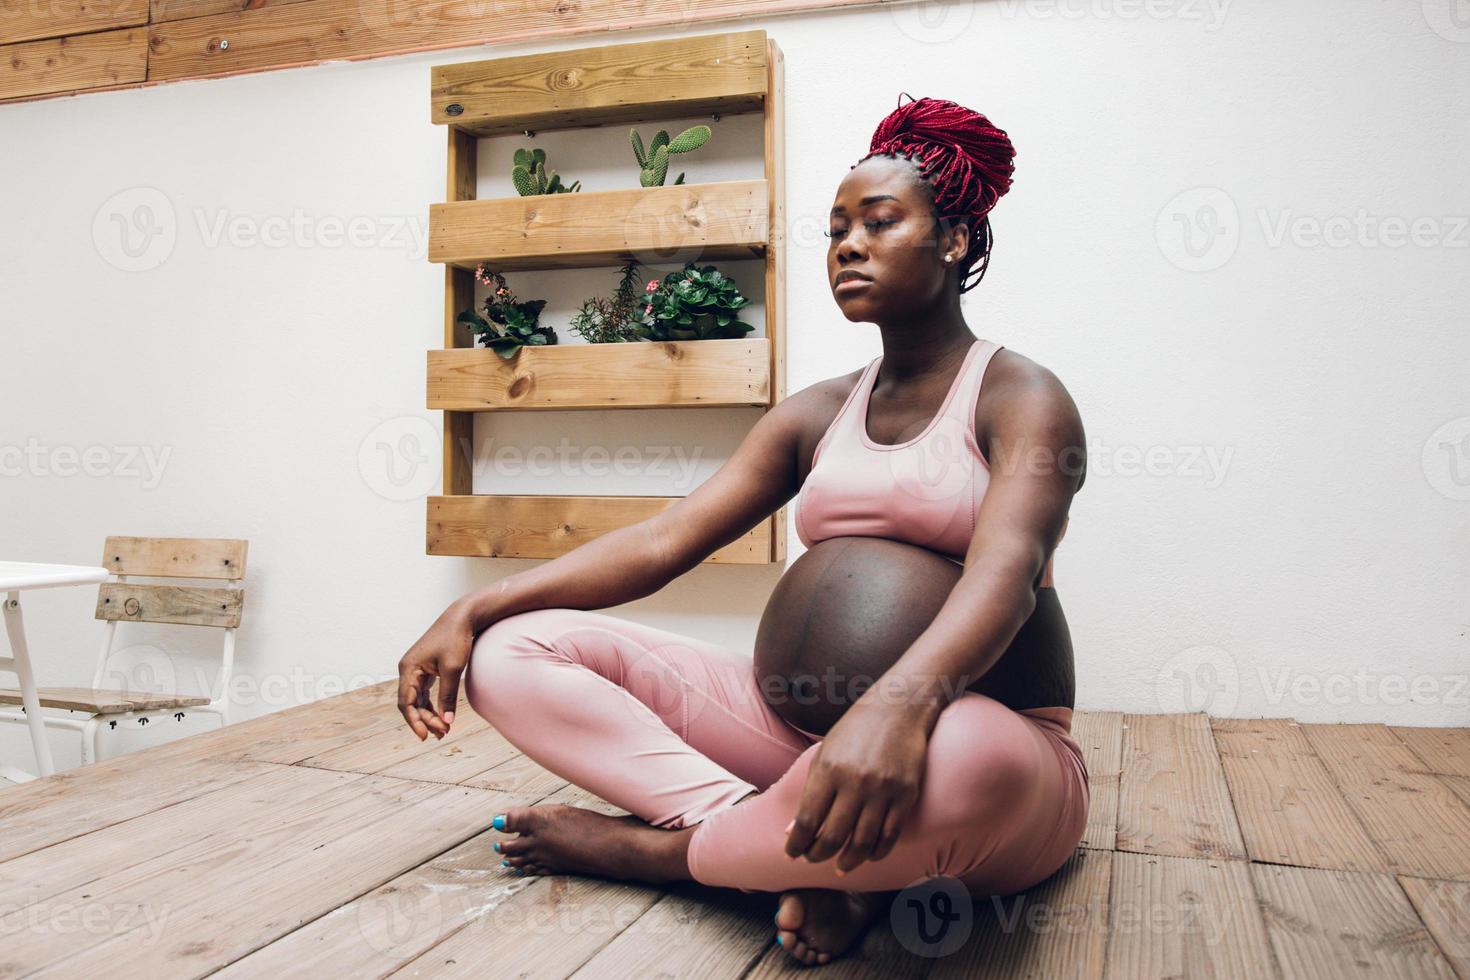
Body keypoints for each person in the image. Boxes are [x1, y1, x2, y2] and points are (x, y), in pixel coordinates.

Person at [397, 93, 1089, 966]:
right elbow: (664, 542)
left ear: (954, 240)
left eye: (879, 223)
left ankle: (662, 854)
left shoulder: (1022, 398)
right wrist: (477, 607)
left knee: (967, 760)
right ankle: (812, 864)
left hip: (981, 742)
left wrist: (899, 708)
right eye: (836, 228)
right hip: (795, 742)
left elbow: (1007, 575)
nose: (847, 245)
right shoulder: (819, 412)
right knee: (511, 652)